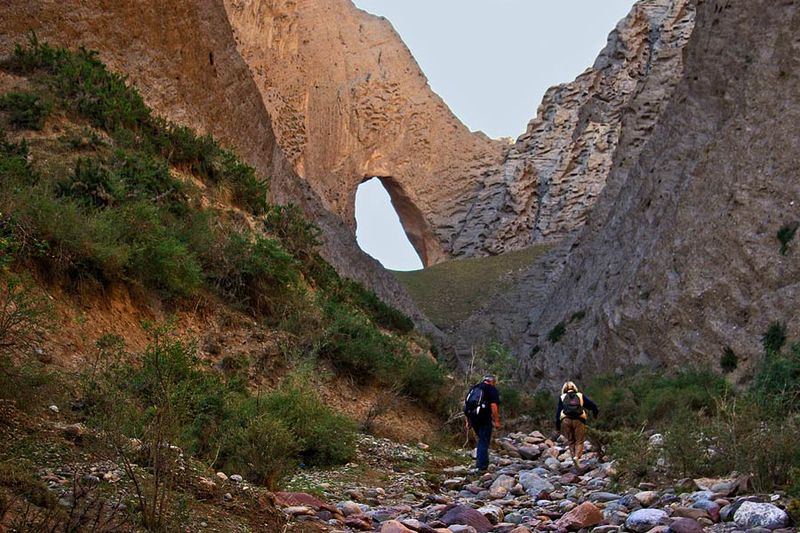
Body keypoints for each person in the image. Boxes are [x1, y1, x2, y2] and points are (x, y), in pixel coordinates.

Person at [555, 380, 599, 468]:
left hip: (565, 421)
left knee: (571, 441)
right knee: (579, 441)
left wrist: (558, 425)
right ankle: (577, 457)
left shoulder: (562, 397)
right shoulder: (580, 396)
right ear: (575, 388)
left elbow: (558, 412)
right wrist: (595, 414)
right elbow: (593, 406)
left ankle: (574, 461)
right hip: (579, 420)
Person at [465, 374, 501, 472]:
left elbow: (467, 405)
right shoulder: (491, 389)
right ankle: (481, 467)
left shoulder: (474, 388)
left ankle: (480, 463)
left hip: (473, 418)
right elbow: (493, 406)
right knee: (484, 441)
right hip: (484, 418)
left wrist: (468, 421)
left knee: (481, 439)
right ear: (492, 382)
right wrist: (497, 421)